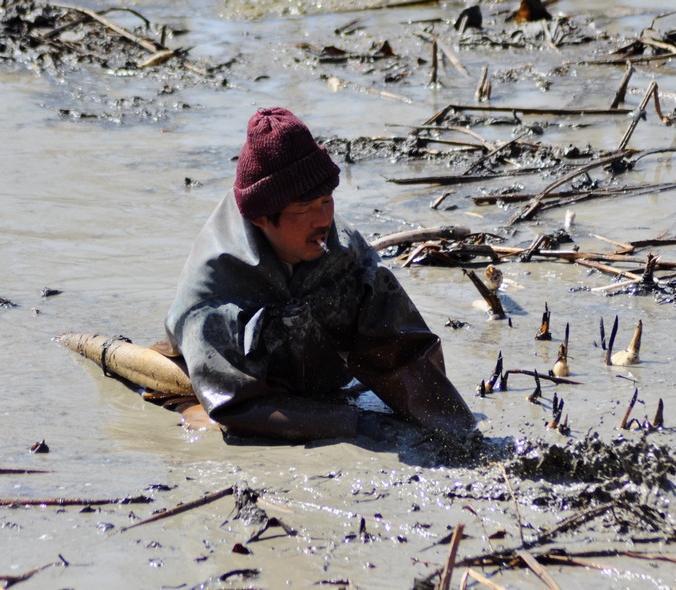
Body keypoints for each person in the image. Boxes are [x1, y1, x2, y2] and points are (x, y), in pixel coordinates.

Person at [164, 106, 476, 443]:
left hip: (319, 368)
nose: (323, 220)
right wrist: (354, 424)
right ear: (261, 220)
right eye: (304, 209)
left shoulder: (341, 249)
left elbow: (402, 350)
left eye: (326, 201)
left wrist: (453, 428)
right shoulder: (214, 296)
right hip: (250, 376)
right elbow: (234, 406)